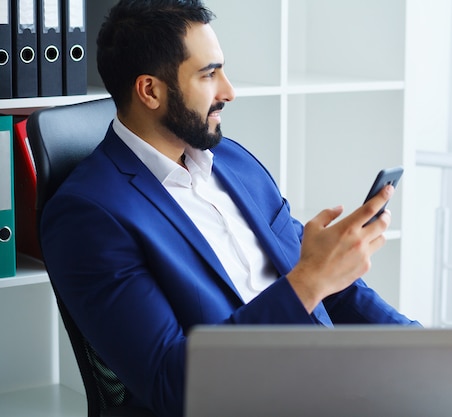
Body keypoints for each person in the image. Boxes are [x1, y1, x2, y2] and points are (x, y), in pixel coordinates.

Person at [40, 1, 420, 416]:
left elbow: (333, 286)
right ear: (150, 90)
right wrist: (309, 282)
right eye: (208, 74)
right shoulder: (89, 216)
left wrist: (423, 351)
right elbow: (173, 384)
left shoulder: (234, 163)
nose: (228, 91)